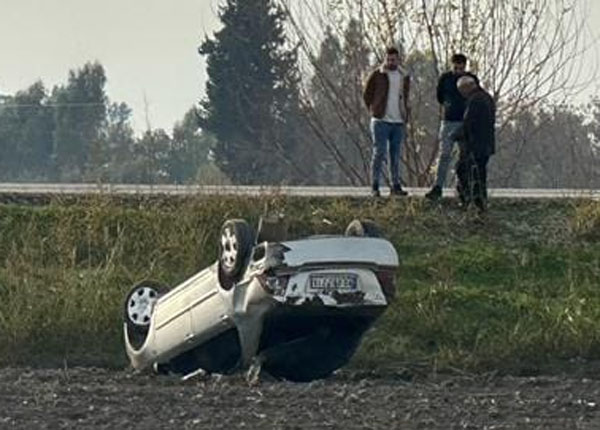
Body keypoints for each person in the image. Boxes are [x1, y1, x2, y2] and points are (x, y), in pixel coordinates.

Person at [425, 54, 479, 200]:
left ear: (465, 66)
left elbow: (476, 97)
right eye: (456, 68)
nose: (458, 71)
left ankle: (464, 188)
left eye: (461, 68)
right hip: (448, 121)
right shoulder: (445, 79)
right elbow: (440, 96)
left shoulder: (470, 79)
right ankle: (437, 187)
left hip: (465, 122)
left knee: (465, 157)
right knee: (444, 155)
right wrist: (448, 104)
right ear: (452, 66)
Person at [363, 46, 410, 197]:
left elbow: (406, 96)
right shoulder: (378, 74)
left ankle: (395, 185)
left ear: (398, 60)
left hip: (398, 121)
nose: (390, 62)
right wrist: (374, 109)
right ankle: (375, 186)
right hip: (380, 120)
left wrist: (406, 113)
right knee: (379, 152)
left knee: (395, 155)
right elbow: (367, 94)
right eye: (388, 59)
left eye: (393, 60)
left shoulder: (403, 76)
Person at [453, 75, 495, 211]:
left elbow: (469, 123)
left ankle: (470, 201)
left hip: (474, 145)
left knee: (465, 171)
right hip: (486, 144)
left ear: (467, 87)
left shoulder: (475, 100)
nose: (462, 94)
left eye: (461, 90)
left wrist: (455, 135)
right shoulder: (487, 98)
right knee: (480, 174)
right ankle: (481, 202)